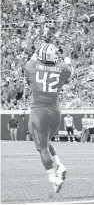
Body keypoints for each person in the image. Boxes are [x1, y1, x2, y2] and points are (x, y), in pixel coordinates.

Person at [24, 42, 73, 193]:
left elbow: (31, 62)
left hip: (39, 112)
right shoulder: (62, 69)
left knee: (42, 147)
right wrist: (67, 58)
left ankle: (54, 178)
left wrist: (39, 47)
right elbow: (71, 73)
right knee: (46, 141)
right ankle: (59, 164)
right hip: (55, 112)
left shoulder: (31, 67)